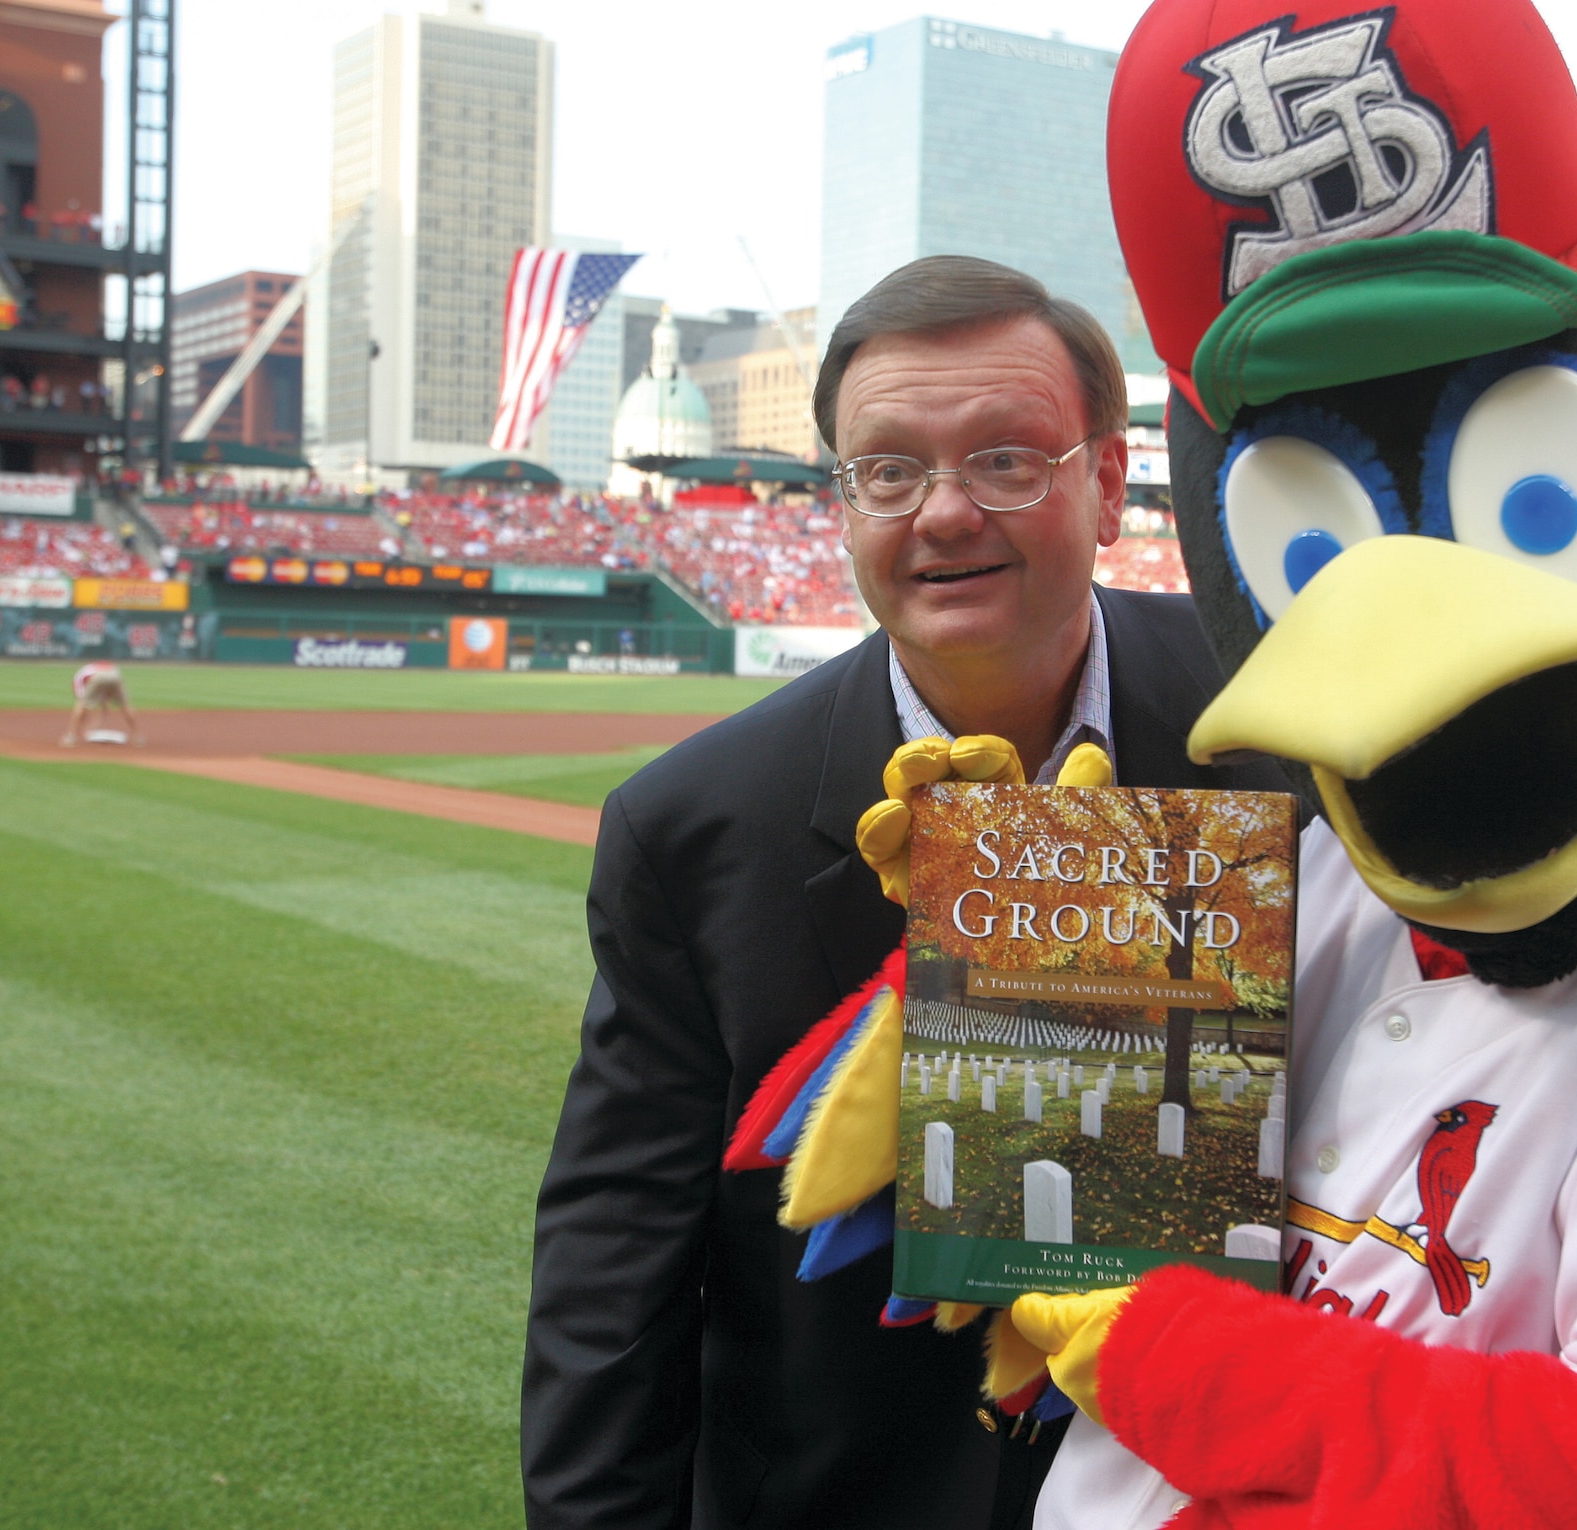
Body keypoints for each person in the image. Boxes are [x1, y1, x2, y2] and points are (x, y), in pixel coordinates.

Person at [521, 256, 1290, 1530]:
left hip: (1211, 1487)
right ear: (841, 503)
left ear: (1105, 483)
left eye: (1005, 460)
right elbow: (617, 1264)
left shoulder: (1272, 725)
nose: (943, 512)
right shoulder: (694, 827)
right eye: (888, 469)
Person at [61, 660, 141, 746]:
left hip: (99, 675)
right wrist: (98, 723)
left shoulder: (78, 680)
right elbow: (105, 706)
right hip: (115, 674)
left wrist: (88, 724)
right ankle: (138, 737)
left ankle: (71, 737)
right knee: (125, 706)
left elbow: (83, 704)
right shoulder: (90, 675)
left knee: (81, 705)